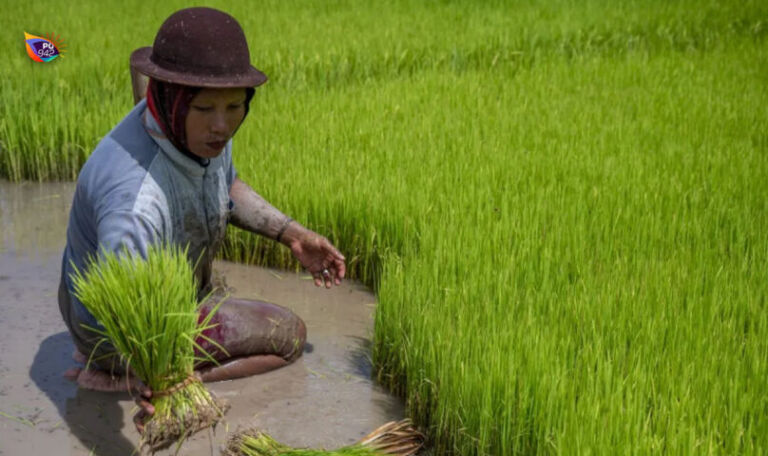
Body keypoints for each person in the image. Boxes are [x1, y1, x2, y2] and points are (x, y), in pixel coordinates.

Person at [58, 7, 347, 430]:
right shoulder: (134, 201)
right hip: (117, 328)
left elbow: (222, 184)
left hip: (130, 299)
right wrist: (152, 373)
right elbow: (126, 306)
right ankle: (123, 373)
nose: (222, 125)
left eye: (234, 106)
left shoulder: (182, 127)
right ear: (173, 101)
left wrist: (291, 235)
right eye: (207, 108)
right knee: (288, 334)